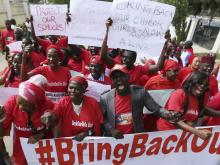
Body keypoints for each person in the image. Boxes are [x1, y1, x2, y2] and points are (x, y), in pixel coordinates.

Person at [100, 64, 180, 138]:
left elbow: (156, 108)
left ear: (128, 77)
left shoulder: (140, 92)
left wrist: (168, 114)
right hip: (114, 141)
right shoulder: (105, 97)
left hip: (135, 139)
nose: (118, 79)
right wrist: (111, 130)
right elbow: (102, 119)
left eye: (121, 76)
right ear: (112, 81)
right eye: (115, 77)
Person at [0, 75, 55, 165]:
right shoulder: (12, 102)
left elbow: (56, 125)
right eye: (19, 103)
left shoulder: (47, 105)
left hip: (43, 148)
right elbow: (1, 134)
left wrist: (41, 134)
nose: (20, 108)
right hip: (20, 147)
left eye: (25, 105)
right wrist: (1, 119)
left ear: (35, 104)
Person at [101, 18, 169, 86]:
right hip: (116, 96)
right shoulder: (117, 65)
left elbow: (158, 67)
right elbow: (103, 56)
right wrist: (108, 31)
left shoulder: (139, 69)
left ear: (134, 60)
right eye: (123, 57)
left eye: (128, 58)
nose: (124, 59)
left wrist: (165, 45)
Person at [157, 71, 220, 139]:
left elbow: (204, 111)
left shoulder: (198, 99)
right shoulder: (179, 94)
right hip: (166, 135)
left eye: (205, 85)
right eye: (199, 83)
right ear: (192, 82)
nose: (202, 86)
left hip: (183, 135)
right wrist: (197, 132)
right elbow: (174, 120)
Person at [41, 76, 103, 141]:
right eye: (70, 88)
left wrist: (86, 133)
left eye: (77, 89)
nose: (72, 91)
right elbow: (54, 115)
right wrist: (48, 114)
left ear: (84, 90)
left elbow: (99, 125)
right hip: (69, 145)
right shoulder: (63, 102)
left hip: (89, 144)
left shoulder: (93, 103)